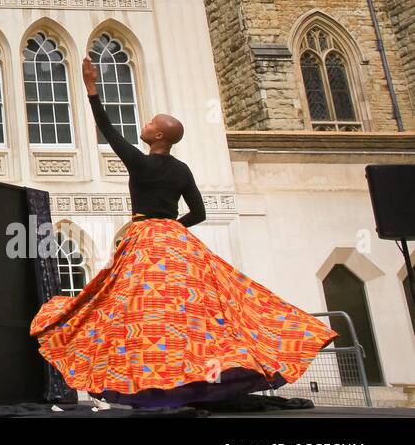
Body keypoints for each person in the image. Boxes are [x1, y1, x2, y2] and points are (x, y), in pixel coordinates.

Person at [30, 58, 337, 408]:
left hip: (146, 239)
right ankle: (194, 381)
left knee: (136, 310)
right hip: (176, 243)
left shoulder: (141, 163)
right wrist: (174, 227)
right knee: (189, 314)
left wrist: (91, 90)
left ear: (157, 136)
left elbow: (109, 131)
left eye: (149, 124)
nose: (144, 126)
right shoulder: (181, 169)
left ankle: (158, 383)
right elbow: (200, 213)